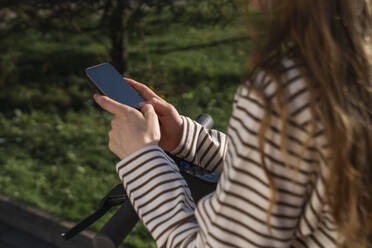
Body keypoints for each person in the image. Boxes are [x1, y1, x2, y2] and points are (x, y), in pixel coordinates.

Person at [93, 0, 372, 247]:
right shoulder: (356, 64)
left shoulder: (286, 93)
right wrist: (186, 139)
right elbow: (289, 171)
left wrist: (140, 157)